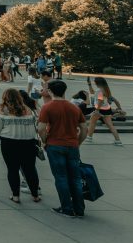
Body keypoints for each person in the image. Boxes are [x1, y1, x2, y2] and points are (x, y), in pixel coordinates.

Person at [38, 79, 87, 218]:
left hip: (55, 145)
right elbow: (84, 128)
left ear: (50, 91)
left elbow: (41, 128)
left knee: (61, 177)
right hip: (72, 145)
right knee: (75, 178)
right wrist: (78, 142)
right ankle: (79, 208)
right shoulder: (74, 107)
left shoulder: (47, 107)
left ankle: (66, 208)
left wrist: (44, 141)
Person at [0, 88, 40, 203]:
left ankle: (15, 195)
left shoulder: (3, 109)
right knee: (30, 169)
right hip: (28, 142)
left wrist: (0, 134)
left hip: (9, 142)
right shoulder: (28, 109)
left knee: (12, 169)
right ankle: (35, 195)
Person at [86, 77, 124, 146]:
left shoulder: (99, 91)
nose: (94, 83)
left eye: (95, 82)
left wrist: (97, 110)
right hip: (107, 109)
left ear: (98, 83)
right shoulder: (105, 89)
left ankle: (89, 137)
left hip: (100, 109)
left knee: (92, 122)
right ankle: (118, 140)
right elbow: (92, 92)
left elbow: (100, 101)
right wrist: (89, 84)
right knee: (110, 125)